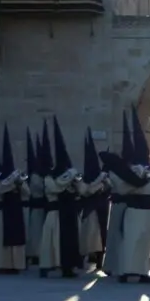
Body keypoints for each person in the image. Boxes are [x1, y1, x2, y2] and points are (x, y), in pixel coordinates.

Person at [114, 109, 150, 283]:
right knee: (131, 240)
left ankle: (143, 272)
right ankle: (126, 271)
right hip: (135, 209)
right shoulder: (132, 172)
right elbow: (122, 189)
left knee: (145, 242)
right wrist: (136, 178)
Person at [38, 116, 84, 278]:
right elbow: (54, 188)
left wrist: (76, 181)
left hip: (69, 213)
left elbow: (82, 190)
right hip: (55, 212)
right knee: (51, 243)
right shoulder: (49, 177)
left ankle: (68, 267)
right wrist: (67, 178)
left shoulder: (70, 176)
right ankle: (46, 266)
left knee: (70, 242)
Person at [0, 126, 30, 274]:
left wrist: (20, 183)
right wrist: (11, 181)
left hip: (15, 211)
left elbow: (27, 194)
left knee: (15, 241)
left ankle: (14, 265)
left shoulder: (16, 180)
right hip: (1, 212)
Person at [101, 113, 137, 278]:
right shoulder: (120, 173)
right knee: (117, 235)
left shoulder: (118, 172)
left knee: (120, 236)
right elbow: (124, 187)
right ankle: (115, 266)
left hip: (123, 205)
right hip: (121, 205)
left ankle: (116, 265)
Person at [78, 128, 109, 274]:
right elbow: (87, 190)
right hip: (89, 209)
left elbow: (107, 188)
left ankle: (99, 262)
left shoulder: (103, 178)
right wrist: (98, 180)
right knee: (87, 237)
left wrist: (103, 180)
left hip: (102, 209)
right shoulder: (84, 179)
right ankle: (82, 259)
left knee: (102, 236)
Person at [25, 125, 47, 266]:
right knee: (35, 233)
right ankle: (34, 254)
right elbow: (39, 188)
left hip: (44, 206)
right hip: (37, 206)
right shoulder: (35, 176)